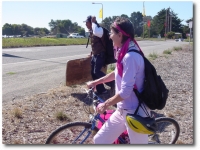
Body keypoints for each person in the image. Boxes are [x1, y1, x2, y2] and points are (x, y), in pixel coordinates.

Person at [87, 17, 151, 144]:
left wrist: (106, 104)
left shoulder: (130, 56)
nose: (110, 37)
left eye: (111, 33)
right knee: (100, 140)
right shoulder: (124, 51)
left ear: (120, 35)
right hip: (122, 110)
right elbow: (117, 73)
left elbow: (126, 92)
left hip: (135, 112)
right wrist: (96, 82)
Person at [84, 15, 115, 95]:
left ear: (91, 23)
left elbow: (98, 34)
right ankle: (101, 90)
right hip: (95, 55)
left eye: (87, 23)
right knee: (93, 72)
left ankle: (112, 82)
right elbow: (96, 44)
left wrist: (94, 22)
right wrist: (92, 52)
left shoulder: (98, 29)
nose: (86, 24)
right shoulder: (92, 30)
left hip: (100, 55)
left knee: (97, 71)